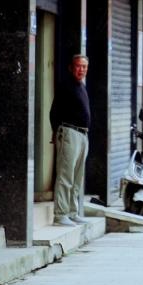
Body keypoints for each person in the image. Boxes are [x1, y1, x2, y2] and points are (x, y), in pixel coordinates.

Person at [49, 54, 91, 227]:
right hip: (69, 133)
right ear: (70, 67)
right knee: (66, 175)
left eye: (84, 67)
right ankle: (60, 214)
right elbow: (54, 111)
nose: (81, 70)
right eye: (78, 66)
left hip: (82, 135)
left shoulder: (81, 86)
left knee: (77, 177)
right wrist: (56, 132)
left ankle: (72, 212)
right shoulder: (66, 85)